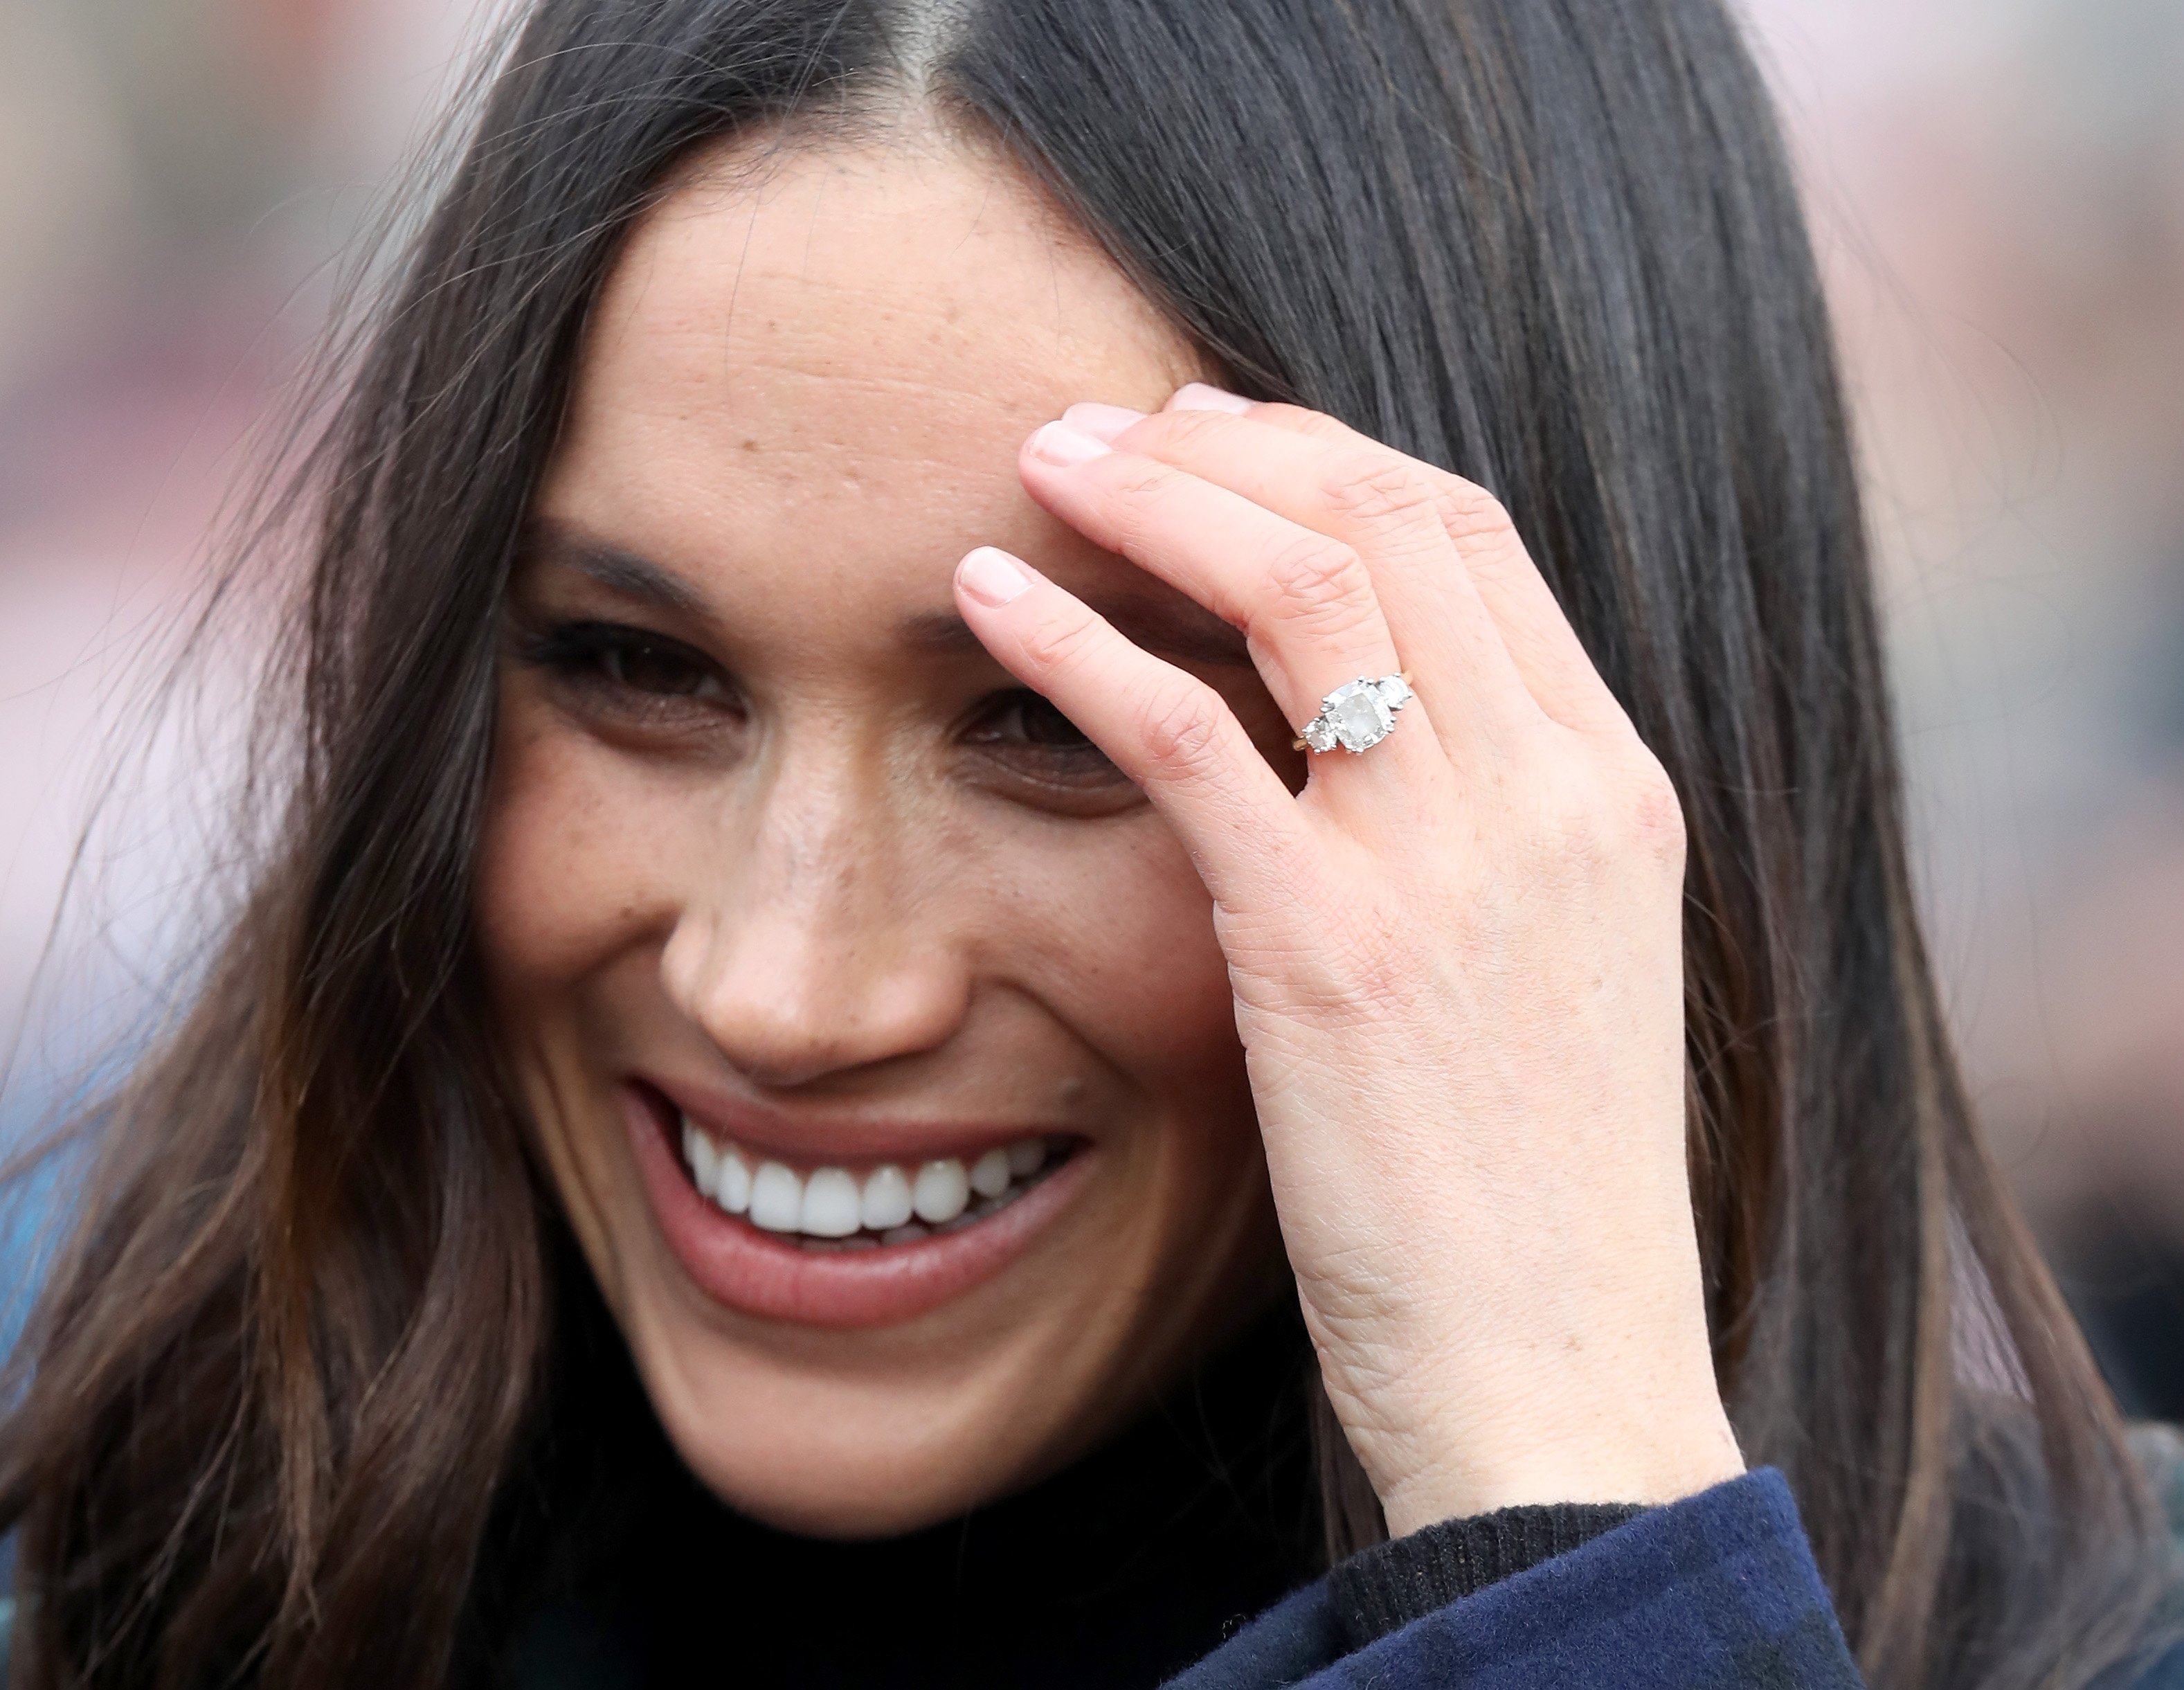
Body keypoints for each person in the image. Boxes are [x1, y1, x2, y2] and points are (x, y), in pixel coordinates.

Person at [1, 1, 2179, 1685]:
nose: (789, 984)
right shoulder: (143, 1595)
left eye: (1062, 721)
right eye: (632, 667)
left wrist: (1569, 1519)